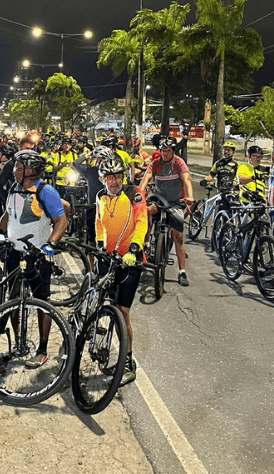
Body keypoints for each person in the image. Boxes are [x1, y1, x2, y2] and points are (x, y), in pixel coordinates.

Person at [0, 150, 67, 368]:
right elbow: (8, 214)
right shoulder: (14, 188)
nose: (15, 171)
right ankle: (19, 343)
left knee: (41, 301)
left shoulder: (46, 191)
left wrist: (50, 245)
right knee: (14, 297)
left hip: (38, 255)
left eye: (19, 168)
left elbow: (61, 221)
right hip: (14, 253)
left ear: (30, 171)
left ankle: (42, 349)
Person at [95, 156, 147, 386]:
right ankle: (97, 342)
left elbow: (142, 220)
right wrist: (98, 243)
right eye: (110, 177)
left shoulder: (134, 192)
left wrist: (135, 247)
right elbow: (99, 222)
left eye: (117, 176)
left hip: (130, 259)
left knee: (123, 311)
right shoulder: (100, 197)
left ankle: (127, 361)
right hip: (109, 257)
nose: (114, 181)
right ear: (102, 179)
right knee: (98, 299)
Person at [139, 136, 194, 287]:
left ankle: (182, 271)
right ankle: (147, 242)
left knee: (178, 236)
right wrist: (139, 194)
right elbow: (145, 179)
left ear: (173, 151)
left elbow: (187, 180)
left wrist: (190, 196)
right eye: (163, 151)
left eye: (168, 151)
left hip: (176, 202)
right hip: (159, 199)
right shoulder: (155, 164)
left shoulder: (178, 162)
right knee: (146, 211)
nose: (166, 154)